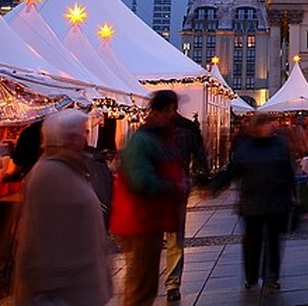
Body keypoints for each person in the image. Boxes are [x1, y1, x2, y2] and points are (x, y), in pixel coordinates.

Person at [12, 110, 113, 306]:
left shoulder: (71, 169)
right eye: (83, 132)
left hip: (81, 283)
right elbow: (45, 240)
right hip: (66, 292)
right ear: (69, 138)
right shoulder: (50, 174)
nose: (86, 138)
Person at [110, 90, 184, 306]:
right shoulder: (143, 140)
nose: (174, 115)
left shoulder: (157, 137)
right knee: (140, 287)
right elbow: (141, 181)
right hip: (138, 223)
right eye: (171, 110)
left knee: (146, 284)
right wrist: (174, 186)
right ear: (160, 111)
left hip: (149, 222)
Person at [209, 112, 295, 291]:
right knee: (252, 242)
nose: (271, 126)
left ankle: (272, 275)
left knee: (273, 241)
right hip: (252, 202)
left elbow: (288, 171)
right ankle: (251, 276)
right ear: (257, 127)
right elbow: (232, 171)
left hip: (276, 201)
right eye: (267, 123)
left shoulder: (280, 144)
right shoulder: (245, 147)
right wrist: (214, 187)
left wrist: (292, 195)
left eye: (272, 122)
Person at [163, 110, 209, 302]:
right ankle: (171, 282)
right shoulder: (150, 129)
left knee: (174, 237)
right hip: (165, 187)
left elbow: (199, 156)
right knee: (173, 238)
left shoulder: (186, 129)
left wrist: (202, 179)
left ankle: (173, 282)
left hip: (175, 187)